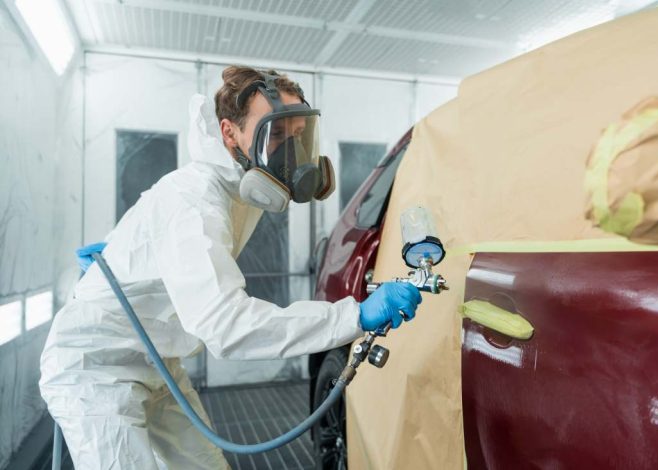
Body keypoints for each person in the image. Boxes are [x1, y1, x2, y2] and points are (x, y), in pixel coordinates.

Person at [39, 66, 421, 469]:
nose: (290, 154)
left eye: (297, 135)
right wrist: (354, 314)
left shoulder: (238, 188)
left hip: (158, 363)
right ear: (229, 133)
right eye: (275, 135)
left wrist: (124, 254)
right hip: (95, 369)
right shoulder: (195, 199)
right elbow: (226, 326)